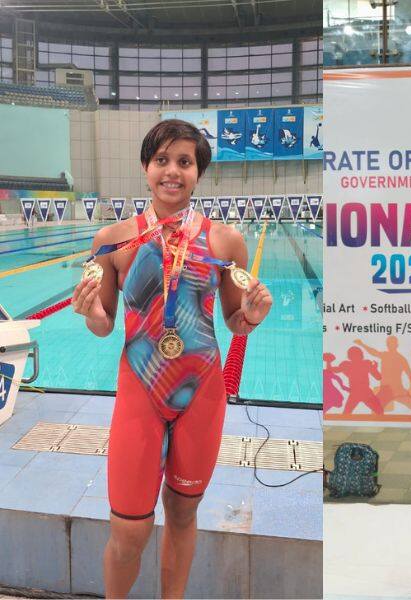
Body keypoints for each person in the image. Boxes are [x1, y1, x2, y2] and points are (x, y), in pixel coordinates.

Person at [71, 119, 273, 598]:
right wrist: (92, 311)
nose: (172, 172)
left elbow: (233, 321)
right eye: (162, 160)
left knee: (183, 513)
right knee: (129, 532)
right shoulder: (113, 241)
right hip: (140, 392)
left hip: (200, 395)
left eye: (184, 162)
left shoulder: (227, 242)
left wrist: (252, 316)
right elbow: (103, 325)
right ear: (145, 167)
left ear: (198, 172)